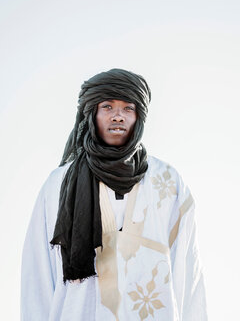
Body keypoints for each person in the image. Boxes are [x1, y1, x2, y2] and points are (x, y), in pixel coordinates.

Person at [21, 69, 208, 320]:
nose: (118, 116)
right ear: (92, 114)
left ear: (139, 116)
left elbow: (187, 269)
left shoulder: (168, 182)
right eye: (107, 106)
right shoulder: (59, 184)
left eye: (128, 108)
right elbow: (38, 276)